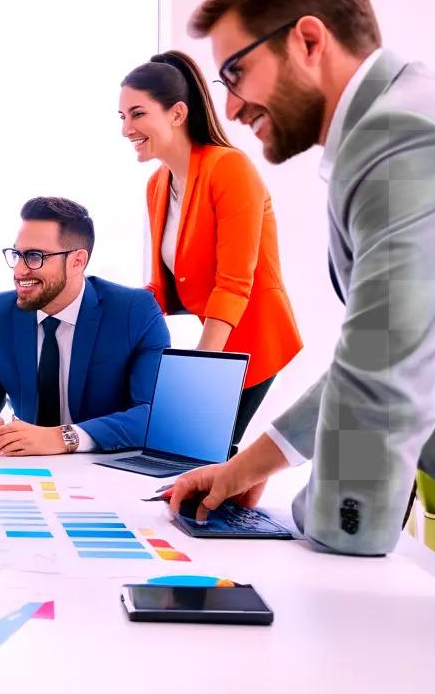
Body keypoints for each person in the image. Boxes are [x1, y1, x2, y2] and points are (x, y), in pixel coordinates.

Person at [169, 0, 435, 556]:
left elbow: (381, 381)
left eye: (235, 74)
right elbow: (378, 350)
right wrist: (245, 469)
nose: (230, 107)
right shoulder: (399, 119)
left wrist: (329, 542)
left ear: (306, 40)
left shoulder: (402, 137)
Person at [120, 50, 302, 445]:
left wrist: (204, 370)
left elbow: (235, 281)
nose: (126, 129)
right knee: (186, 451)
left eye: (137, 114)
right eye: (122, 117)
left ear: (177, 114)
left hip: (253, 341)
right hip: (217, 340)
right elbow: (162, 290)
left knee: (198, 451)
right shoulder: (157, 186)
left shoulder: (228, 168)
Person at [0, 197, 170, 456]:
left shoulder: (134, 311)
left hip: (107, 472)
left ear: (77, 261)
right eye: (17, 254)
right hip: (24, 471)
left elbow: (156, 415)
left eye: (35, 256)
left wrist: (64, 437)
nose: (19, 269)